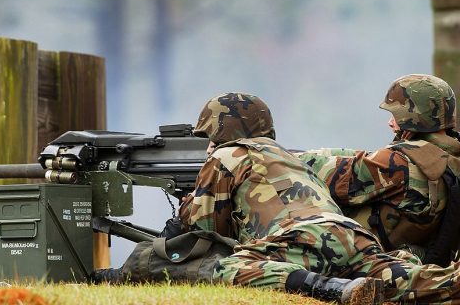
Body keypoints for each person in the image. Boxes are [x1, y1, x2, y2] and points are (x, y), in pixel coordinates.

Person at [179, 92, 460, 304]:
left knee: (223, 267)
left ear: (219, 134)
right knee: (405, 281)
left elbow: (207, 235)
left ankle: (331, 288)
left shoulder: (225, 156)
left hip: (300, 240)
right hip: (352, 237)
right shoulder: (295, 161)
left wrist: (186, 205)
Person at [295, 74, 460, 266]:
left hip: (366, 259)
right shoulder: (449, 158)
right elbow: (363, 158)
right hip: (422, 257)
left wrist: (278, 156)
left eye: (395, 116)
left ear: (412, 118)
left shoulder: (397, 165)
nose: (390, 123)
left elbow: (322, 174)